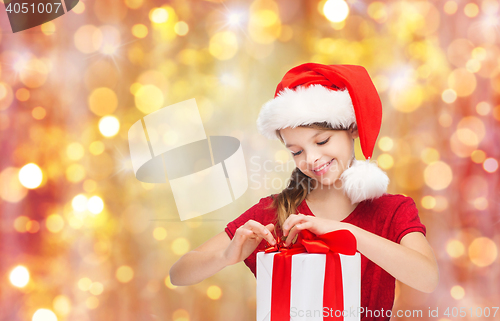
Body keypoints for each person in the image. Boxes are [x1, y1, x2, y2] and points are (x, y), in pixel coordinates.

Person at [169, 63, 439, 320]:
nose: (311, 158)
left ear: (353, 129)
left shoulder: (391, 211)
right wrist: (224, 256)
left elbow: (427, 278)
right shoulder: (276, 213)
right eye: (296, 151)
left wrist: (345, 233)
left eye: (322, 141)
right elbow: (179, 273)